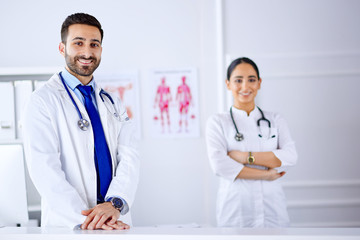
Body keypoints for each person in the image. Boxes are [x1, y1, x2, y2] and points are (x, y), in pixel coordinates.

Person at [22, 13, 139, 230]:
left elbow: (130, 158)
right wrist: (89, 220)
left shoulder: (112, 101)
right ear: (62, 48)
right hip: (71, 224)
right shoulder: (42, 101)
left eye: (94, 44)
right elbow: (44, 169)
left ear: (101, 50)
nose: (87, 52)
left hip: (115, 220)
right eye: (78, 43)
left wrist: (115, 203)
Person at [205, 57, 297, 228]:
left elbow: (290, 156)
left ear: (259, 83)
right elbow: (220, 165)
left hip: (272, 211)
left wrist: (244, 157)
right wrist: (265, 175)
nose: (245, 87)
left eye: (251, 80)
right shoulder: (217, 122)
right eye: (238, 80)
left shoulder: (275, 120)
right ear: (228, 84)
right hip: (236, 212)